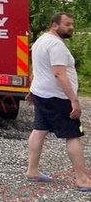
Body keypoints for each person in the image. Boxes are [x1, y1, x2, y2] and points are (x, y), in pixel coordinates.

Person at [25, 12, 91, 191]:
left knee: (39, 129)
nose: (71, 27)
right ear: (55, 25)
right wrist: (74, 100)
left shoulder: (40, 41)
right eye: (67, 24)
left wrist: (32, 90)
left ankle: (32, 171)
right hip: (58, 98)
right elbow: (59, 74)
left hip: (42, 94)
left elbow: (38, 68)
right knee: (73, 135)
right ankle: (82, 180)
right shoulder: (56, 45)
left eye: (72, 24)